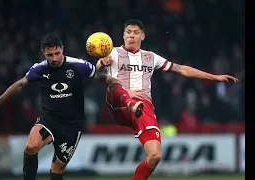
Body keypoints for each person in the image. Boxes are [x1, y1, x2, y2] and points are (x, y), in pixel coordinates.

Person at [0, 32, 144, 180]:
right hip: (49, 118)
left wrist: (118, 85)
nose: (54, 58)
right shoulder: (39, 69)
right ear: (43, 53)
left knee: (56, 170)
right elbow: (21, 84)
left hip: (72, 125)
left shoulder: (78, 65)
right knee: (31, 146)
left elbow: (101, 76)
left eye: (57, 53)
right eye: (50, 54)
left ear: (62, 49)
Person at [96, 19, 238, 180]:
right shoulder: (112, 53)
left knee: (155, 156)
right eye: (128, 32)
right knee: (113, 82)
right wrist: (101, 63)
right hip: (119, 104)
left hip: (142, 106)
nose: (131, 36)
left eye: (136, 33)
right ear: (123, 35)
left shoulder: (150, 57)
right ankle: (130, 102)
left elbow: (181, 69)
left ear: (143, 36)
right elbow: (96, 74)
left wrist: (214, 77)